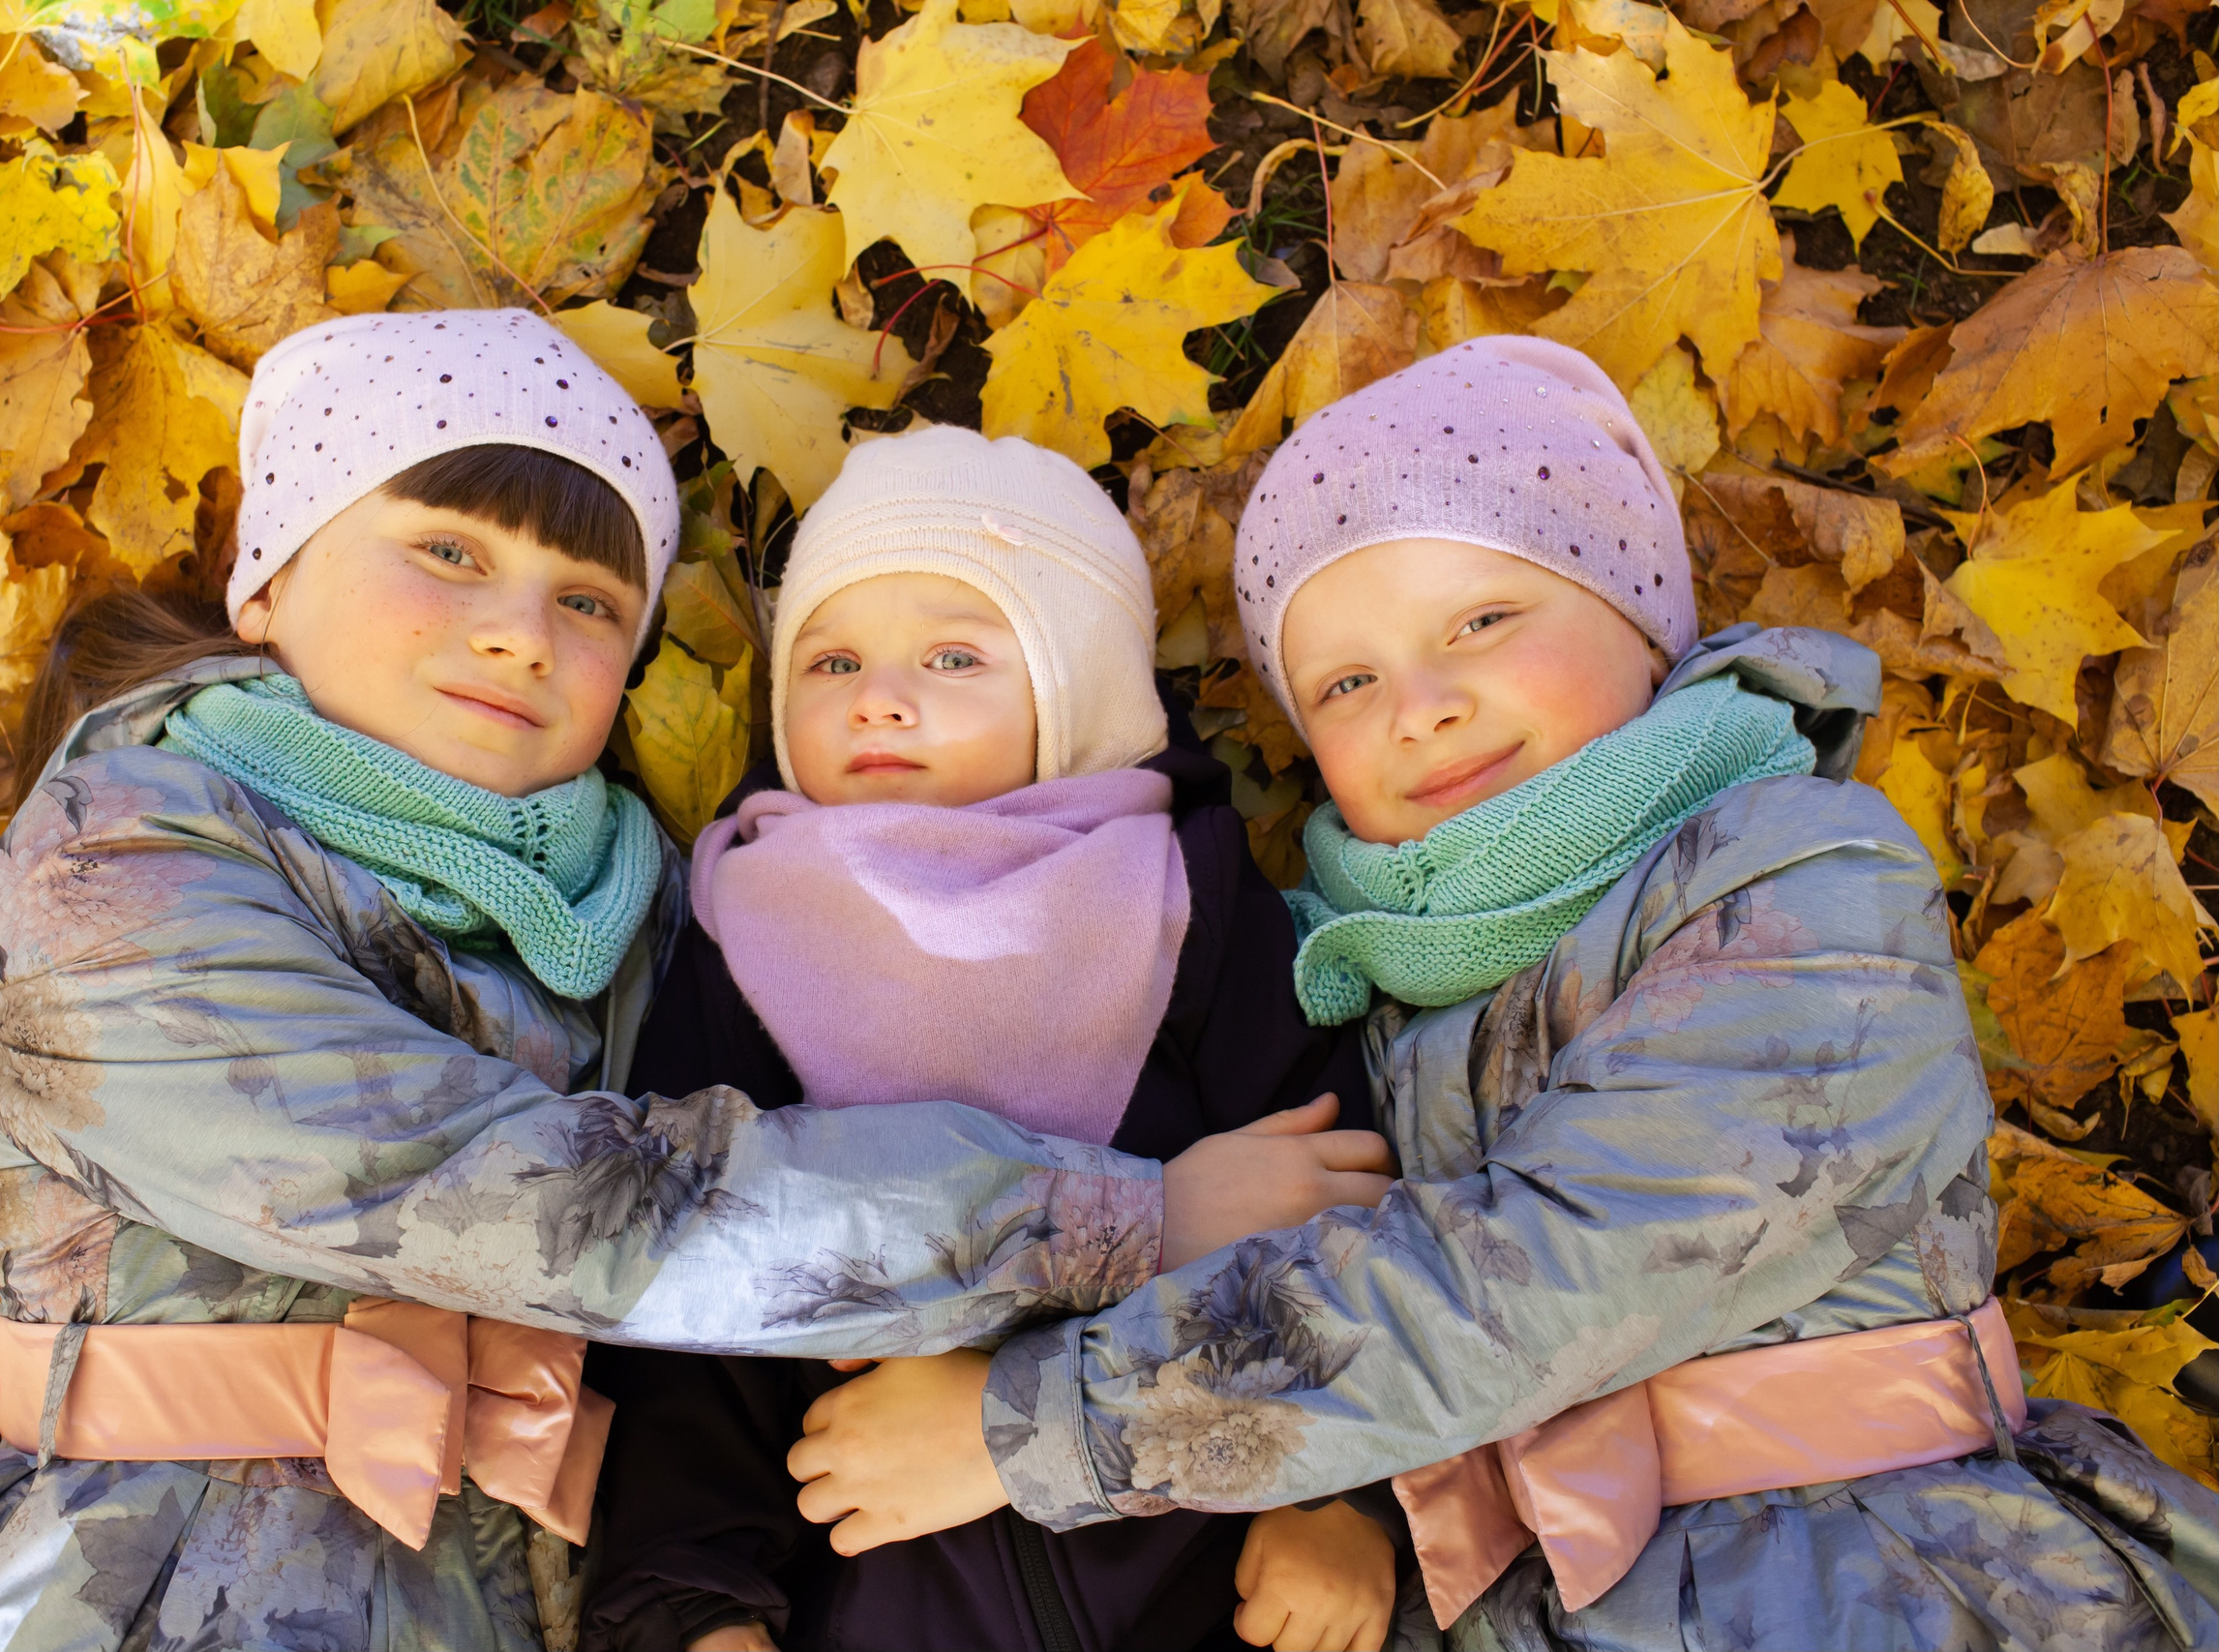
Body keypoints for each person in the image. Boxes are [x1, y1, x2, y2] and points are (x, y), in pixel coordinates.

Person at [0, 311, 1392, 1652]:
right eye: (447, 551)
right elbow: (535, 1202)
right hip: (154, 1585)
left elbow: (694, 1373)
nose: (517, 633)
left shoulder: (642, 916)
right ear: (267, 581)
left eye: (588, 603)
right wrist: (1124, 1215)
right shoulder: (135, 851)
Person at [782, 338, 2219, 1649]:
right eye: (1344, 682)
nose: (1421, 702)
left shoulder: (1790, 868)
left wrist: (1037, 1425)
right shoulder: (1349, 975)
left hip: (1852, 1569)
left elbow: (1555, 1269)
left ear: (1641, 616)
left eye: (1481, 618)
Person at [581, 428, 1397, 1652]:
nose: (879, 695)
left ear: (1079, 696)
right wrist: (694, 1604)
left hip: (1193, 1570)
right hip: (873, 1593)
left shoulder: (1194, 911)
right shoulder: (742, 933)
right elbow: (686, 1312)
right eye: (832, 658)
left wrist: (1342, 1495)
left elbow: (1342, 1211)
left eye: (955, 656)